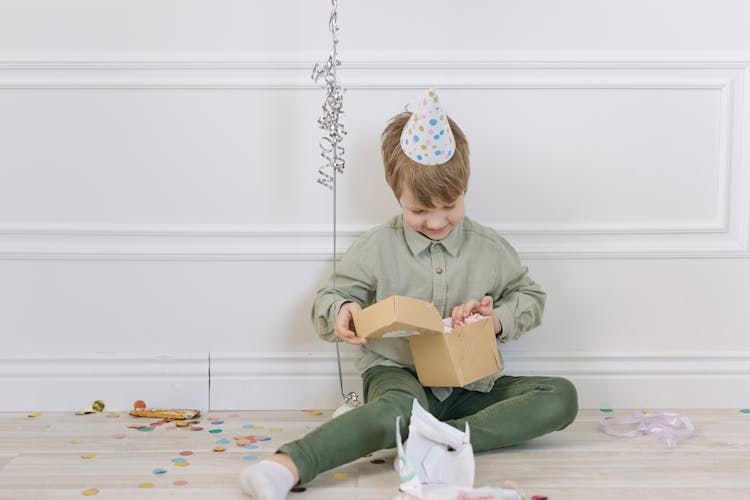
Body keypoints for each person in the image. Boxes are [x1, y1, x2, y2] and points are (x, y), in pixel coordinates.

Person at [239, 88, 578, 499]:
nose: (436, 222)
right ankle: (287, 465)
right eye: (419, 211)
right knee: (397, 411)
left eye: (449, 206)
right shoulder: (376, 246)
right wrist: (343, 310)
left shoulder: (489, 248)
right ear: (397, 196)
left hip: (470, 388)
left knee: (561, 395)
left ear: (465, 189)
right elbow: (330, 296)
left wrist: (498, 319)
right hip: (397, 379)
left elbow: (529, 296)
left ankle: (437, 438)